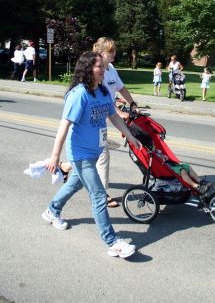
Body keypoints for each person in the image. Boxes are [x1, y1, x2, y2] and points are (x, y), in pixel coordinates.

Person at [42, 51, 141, 258]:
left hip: (95, 149)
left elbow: (113, 115)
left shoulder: (103, 91)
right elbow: (64, 126)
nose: (104, 70)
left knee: (74, 183)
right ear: (88, 69)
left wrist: (130, 136)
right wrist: (54, 156)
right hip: (80, 153)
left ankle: (52, 210)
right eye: (99, 67)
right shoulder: (79, 95)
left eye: (103, 67)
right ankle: (112, 241)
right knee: (98, 195)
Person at [93, 37, 140, 208]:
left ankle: (66, 167)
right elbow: (97, 101)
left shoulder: (111, 69)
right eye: (111, 51)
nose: (114, 53)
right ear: (101, 53)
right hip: (92, 122)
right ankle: (102, 194)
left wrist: (132, 104)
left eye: (114, 50)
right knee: (103, 157)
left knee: (91, 158)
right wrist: (117, 112)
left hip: (103, 121)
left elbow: (121, 88)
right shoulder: (94, 71)